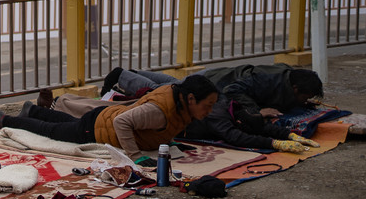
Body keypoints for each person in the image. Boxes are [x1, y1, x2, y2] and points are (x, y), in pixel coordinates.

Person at [0, 75, 220, 166]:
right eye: (207, 105)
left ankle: (33, 110)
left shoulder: (176, 97)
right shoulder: (159, 111)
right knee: (53, 131)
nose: (209, 111)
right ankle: (6, 119)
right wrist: (136, 157)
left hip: (100, 119)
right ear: (190, 98)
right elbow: (122, 123)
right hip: (99, 130)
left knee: (67, 123)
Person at [100, 64, 324, 153]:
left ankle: (131, 72)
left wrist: (287, 133)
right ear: (295, 88)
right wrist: (273, 141)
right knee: (162, 90)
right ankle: (122, 75)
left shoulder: (232, 107)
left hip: (209, 86)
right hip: (209, 83)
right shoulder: (218, 110)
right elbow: (237, 134)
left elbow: (256, 124)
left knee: (173, 83)